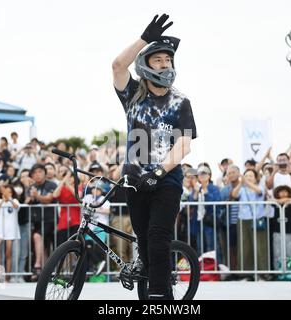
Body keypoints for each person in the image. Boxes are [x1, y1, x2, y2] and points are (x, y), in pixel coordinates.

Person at [113, 13, 197, 299]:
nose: (165, 64)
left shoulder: (180, 101)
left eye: (168, 60)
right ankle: (156, 292)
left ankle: (160, 298)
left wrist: (158, 173)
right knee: (145, 244)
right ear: (145, 65)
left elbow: (183, 145)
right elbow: (117, 65)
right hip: (135, 180)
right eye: (158, 59)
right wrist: (144, 39)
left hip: (166, 181)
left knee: (158, 237)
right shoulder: (133, 94)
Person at [231, 169, 268, 279]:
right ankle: (245, 273)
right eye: (246, 175)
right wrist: (240, 184)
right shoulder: (242, 189)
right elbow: (234, 194)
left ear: (256, 178)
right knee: (244, 247)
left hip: (257, 219)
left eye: (251, 176)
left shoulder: (260, 187)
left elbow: (259, 191)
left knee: (260, 247)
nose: (248, 177)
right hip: (243, 219)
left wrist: (246, 182)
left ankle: (262, 272)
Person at [28, 164, 57, 281]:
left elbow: (49, 199)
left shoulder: (52, 184)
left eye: (40, 171)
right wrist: (29, 198)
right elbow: (28, 201)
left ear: (45, 173)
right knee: (43, 247)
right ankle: (46, 273)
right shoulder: (31, 187)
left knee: (37, 237)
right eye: (34, 173)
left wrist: (36, 196)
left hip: (50, 220)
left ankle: (37, 266)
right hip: (36, 220)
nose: (37, 174)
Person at [188, 166, 221, 255]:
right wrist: (195, 191)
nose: (202, 176)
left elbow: (214, 202)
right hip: (198, 222)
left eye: (204, 174)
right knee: (200, 247)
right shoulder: (196, 188)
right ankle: (202, 268)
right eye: (200, 174)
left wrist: (205, 190)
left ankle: (215, 267)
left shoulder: (214, 188)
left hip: (209, 221)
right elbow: (191, 202)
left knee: (212, 247)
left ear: (209, 176)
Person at [0, 185, 21, 282]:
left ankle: (7, 277)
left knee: (8, 254)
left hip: (11, 230)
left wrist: (10, 199)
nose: (7, 193)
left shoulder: (15, 201)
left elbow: (17, 207)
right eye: (5, 192)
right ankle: (0, 270)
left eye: (9, 192)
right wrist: (2, 200)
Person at [271, 185, 291, 273]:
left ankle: (289, 271)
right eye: (281, 191)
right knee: (277, 252)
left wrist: (286, 201)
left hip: (288, 231)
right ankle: (278, 271)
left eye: (286, 191)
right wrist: (281, 201)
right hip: (277, 230)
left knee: (288, 251)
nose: (283, 193)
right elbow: (270, 201)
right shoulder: (274, 203)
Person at [53, 170, 81, 246]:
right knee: (61, 244)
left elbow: (79, 195)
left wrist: (68, 184)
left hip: (75, 220)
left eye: (71, 177)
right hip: (63, 220)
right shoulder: (62, 189)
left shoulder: (78, 187)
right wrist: (63, 181)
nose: (69, 178)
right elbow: (55, 195)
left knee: (74, 244)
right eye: (68, 177)